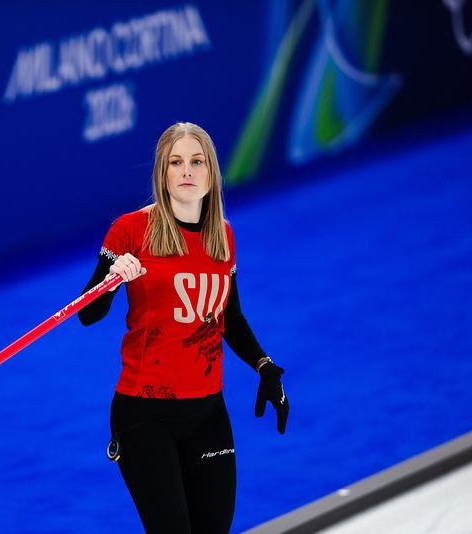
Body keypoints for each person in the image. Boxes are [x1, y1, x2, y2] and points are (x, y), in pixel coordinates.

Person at [78, 122, 289, 533]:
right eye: (176, 163)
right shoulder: (130, 230)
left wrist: (263, 365)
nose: (187, 171)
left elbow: (230, 316)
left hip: (208, 409)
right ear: (163, 173)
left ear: (211, 172)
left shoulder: (222, 236)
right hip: (144, 413)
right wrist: (110, 278)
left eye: (197, 161)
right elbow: (88, 314)